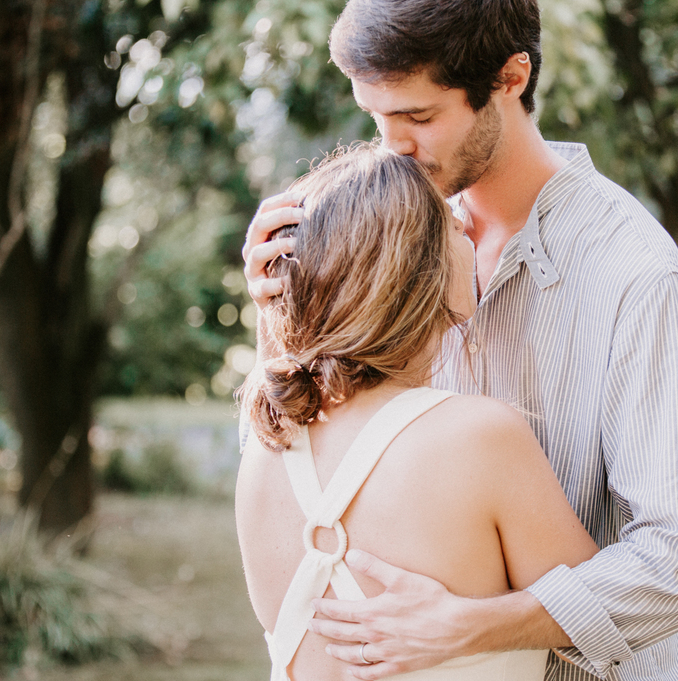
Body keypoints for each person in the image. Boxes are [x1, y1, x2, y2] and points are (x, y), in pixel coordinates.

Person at [242, 0, 678, 681]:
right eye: (377, 117)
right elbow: (324, 453)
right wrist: (283, 309)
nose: (391, 147)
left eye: (419, 117)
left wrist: (476, 628)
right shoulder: (390, 241)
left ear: (511, 77)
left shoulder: (638, 278)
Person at [235, 147, 600, 681]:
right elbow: (605, 615)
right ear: (413, 264)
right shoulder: (479, 438)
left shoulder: (265, 447)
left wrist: (279, 308)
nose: (469, 234)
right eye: (451, 223)